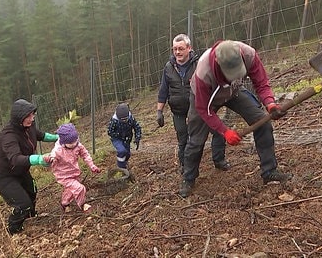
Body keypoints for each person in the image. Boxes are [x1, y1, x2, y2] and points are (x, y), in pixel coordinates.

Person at [179, 40, 293, 197]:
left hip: (234, 91)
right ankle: (189, 178)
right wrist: (224, 131)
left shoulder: (249, 54)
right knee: (197, 140)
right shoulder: (203, 72)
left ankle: (269, 171)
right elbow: (204, 109)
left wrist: (270, 103)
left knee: (262, 123)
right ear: (218, 63)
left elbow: (261, 83)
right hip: (205, 99)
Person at [157, 33, 230, 173]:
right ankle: (186, 167)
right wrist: (159, 111)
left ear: (189, 48)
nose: (177, 52)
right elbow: (163, 90)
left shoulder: (199, 64)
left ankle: (219, 160)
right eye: (175, 49)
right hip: (178, 110)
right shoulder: (168, 67)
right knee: (183, 139)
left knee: (218, 131)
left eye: (181, 48)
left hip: (198, 107)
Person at [0, 99, 58, 235]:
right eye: (29, 116)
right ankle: (14, 231)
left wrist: (59, 137)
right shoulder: (8, 136)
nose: (32, 118)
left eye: (33, 115)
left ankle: (30, 220)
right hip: (3, 174)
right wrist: (39, 159)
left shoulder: (28, 126)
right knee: (22, 204)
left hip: (20, 171)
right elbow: (15, 158)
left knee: (32, 191)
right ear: (19, 118)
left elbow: (40, 135)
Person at [44, 123, 100, 213]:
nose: (74, 144)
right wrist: (49, 159)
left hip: (74, 172)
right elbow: (52, 158)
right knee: (80, 188)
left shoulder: (77, 145)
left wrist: (92, 166)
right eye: (71, 143)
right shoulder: (58, 151)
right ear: (63, 142)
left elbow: (85, 155)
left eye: (75, 140)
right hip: (63, 176)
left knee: (71, 190)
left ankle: (64, 203)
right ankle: (82, 205)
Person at [107, 103, 142, 170]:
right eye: (122, 119)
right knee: (122, 151)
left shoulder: (131, 118)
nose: (124, 121)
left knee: (127, 154)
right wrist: (118, 135)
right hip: (117, 139)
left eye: (126, 119)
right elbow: (110, 132)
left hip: (127, 138)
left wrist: (137, 138)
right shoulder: (114, 121)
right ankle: (121, 168)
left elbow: (137, 127)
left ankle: (124, 163)